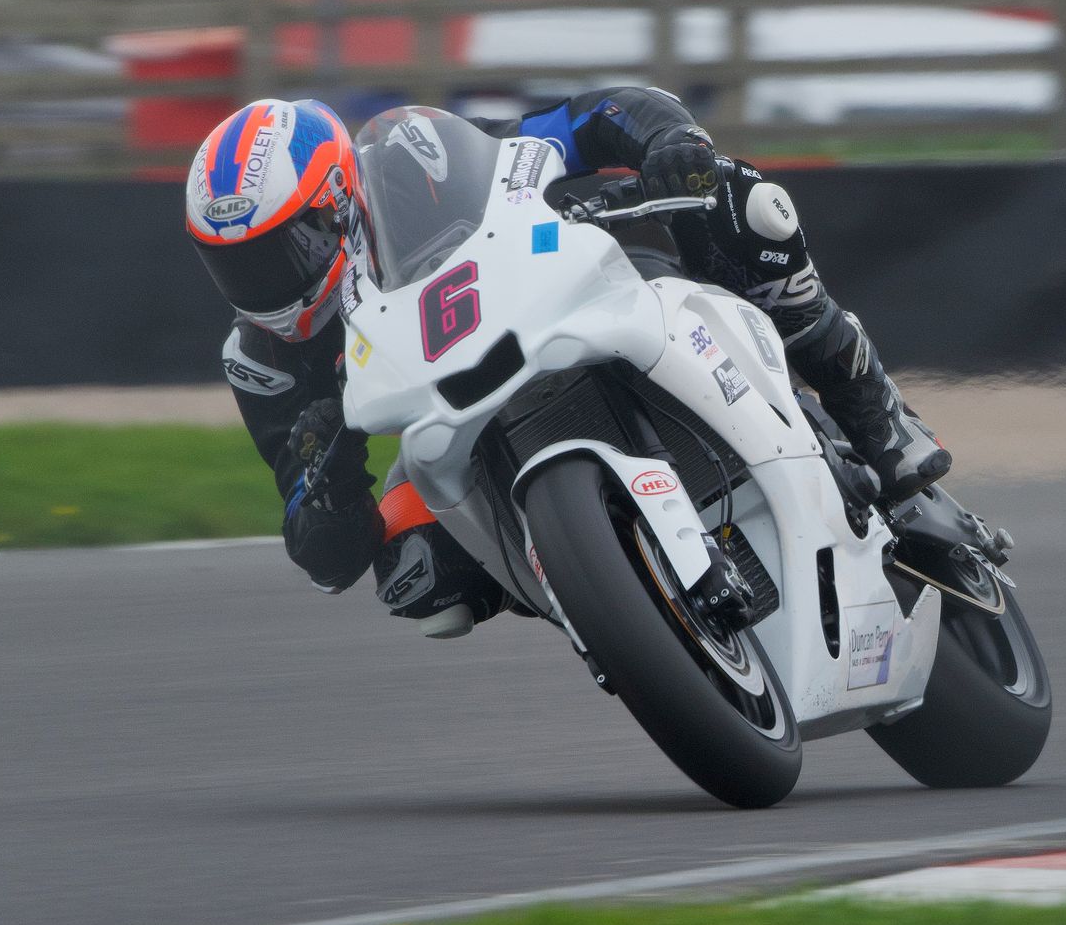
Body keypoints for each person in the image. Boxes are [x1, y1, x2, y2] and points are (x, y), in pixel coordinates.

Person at [183, 92, 950, 636]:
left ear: (338, 200)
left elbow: (597, 113)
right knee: (414, 572)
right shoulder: (265, 362)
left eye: (286, 249)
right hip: (456, 427)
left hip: (568, 298)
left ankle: (871, 409)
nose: (267, 284)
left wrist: (667, 141)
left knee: (742, 202)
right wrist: (325, 468)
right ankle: (605, 593)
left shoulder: (416, 160)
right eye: (238, 267)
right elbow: (322, 556)